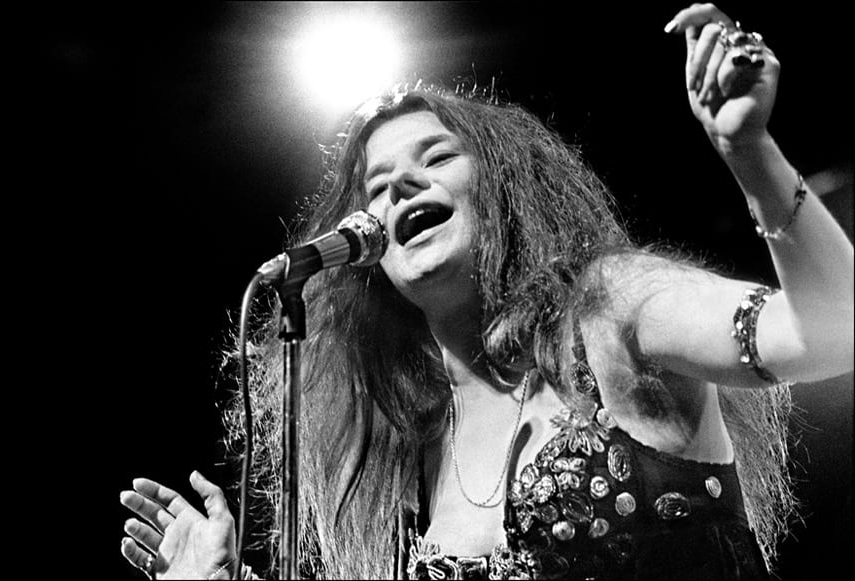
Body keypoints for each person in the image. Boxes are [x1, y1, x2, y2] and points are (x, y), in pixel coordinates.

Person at [119, 4, 853, 579]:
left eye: (436, 157)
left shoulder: (612, 310)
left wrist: (748, 151)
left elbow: (833, 328)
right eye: (377, 187)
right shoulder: (416, 450)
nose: (401, 186)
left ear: (504, 190)